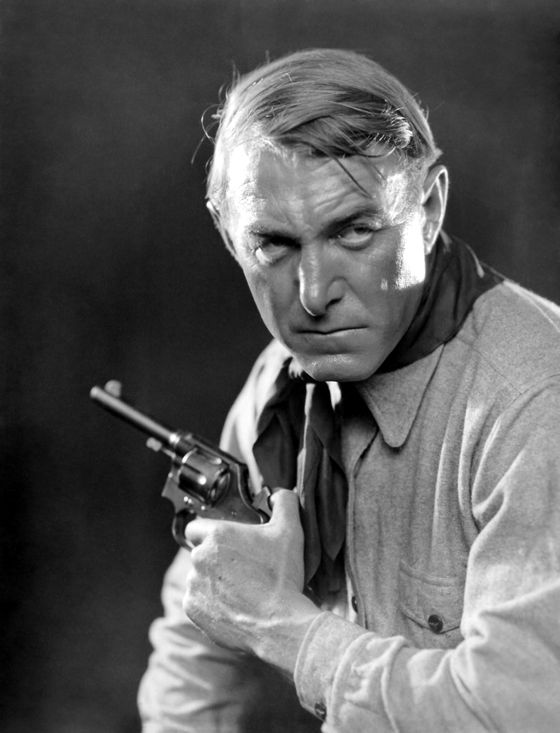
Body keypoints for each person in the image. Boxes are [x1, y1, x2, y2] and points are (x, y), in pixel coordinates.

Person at [138, 49, 560, 732]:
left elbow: (518, 714)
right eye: (273, 245)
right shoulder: (280, 384)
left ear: (429, 207)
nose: (313, 294)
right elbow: (201, 623)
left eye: (354, 231)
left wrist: (286, 630)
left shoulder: (536, 402)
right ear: (228, 233)